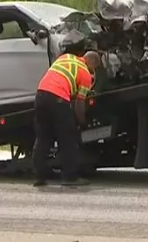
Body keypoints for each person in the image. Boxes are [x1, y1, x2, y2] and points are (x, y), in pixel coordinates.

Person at [32, 49, 102, 187]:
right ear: (92, 63)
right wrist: (81, 122)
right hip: (58, 99)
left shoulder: (66, 57)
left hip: (40, 95)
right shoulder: (86, 75)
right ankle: (70, 177)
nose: (93, 71)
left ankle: (39, 177)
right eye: (95, 68)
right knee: (68, 138)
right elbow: (79, 104)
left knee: (43, 137)